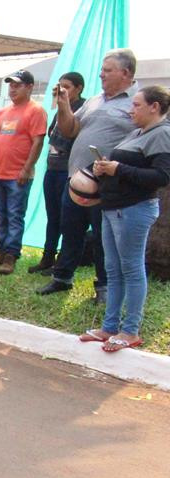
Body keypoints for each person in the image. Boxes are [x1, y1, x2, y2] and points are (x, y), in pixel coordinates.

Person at [38, 50, 140, 304]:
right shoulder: (95, 100)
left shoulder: (138, 103)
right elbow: (70, 129)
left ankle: (104, 287)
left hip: (109, 184)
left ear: (126, 73)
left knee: (103, 237)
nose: (101, 74)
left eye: (107, 70)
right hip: (75, 180)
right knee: (70, 230)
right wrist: (63, 105)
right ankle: (62, 278)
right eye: (102, 69)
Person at [79, 86, 170, 353]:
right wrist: (104, 168)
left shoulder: (162, 134)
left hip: (134, 210)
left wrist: (118, 168)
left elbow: (161, 177)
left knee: (131, 268)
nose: (132, 109)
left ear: (154, 107)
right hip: (113, 208)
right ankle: (109, 327)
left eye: (137, 105)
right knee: (114, 269)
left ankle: (130, 330)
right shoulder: (137, 133)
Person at [0, 70, 47, 275]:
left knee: (15, 215)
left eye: (17, 85)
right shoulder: (3, 112)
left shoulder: (35, 111)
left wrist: (27, 168)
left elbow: (38, 141)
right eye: (11, 85)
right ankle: (1, 250)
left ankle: (11, 255)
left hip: (18, 175)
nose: (13, 89)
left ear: (29, 87)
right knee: (1, 216)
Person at [32, 72, 86, 275]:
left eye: (67, 87)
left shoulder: (82, 108)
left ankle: (62, 262)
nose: (62, 91)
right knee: (53, 216)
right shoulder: (58, 110)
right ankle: (47, 258)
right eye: (59, 87)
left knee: (67, 219)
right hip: (52, 169)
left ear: (79, 88)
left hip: (68, 170)